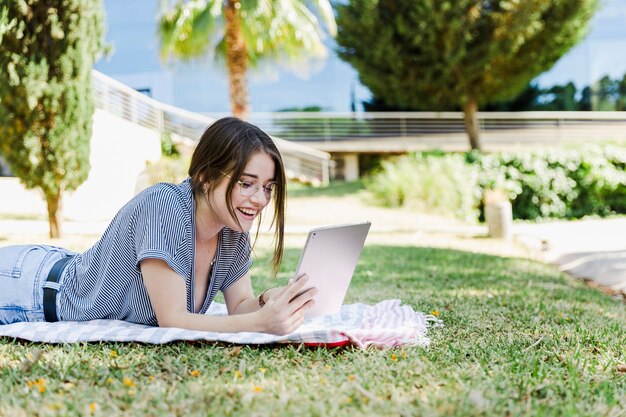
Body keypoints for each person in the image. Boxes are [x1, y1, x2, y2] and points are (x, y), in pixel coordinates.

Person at [0, 117, 317, 335]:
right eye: (247, 184)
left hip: (54, 268)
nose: (260, 199)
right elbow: (174, 319)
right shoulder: (166, 207)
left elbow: (240, 308)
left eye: (267, 187)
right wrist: (261, 323)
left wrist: (268, 302)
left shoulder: (232, 230)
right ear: (205, 177)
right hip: (27, 289)